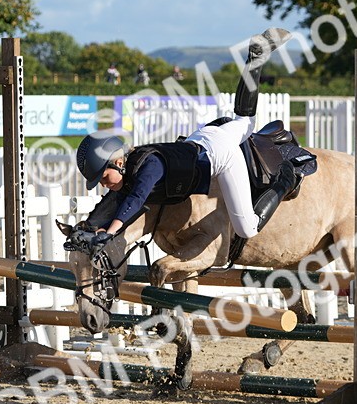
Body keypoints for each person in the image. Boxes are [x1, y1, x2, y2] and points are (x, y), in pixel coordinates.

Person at [75, 28, 298, 249]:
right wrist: (93, 228)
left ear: (119, 163)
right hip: (204, 137)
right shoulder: (135, 162)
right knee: (245, 122)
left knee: (247, 228)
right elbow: (114, 201)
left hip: (222, 155)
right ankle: (256, 58)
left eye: (104, 177)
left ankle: (285, 179)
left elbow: (135, 199)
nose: (103, 185)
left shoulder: (149, 167)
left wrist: (112, 232)